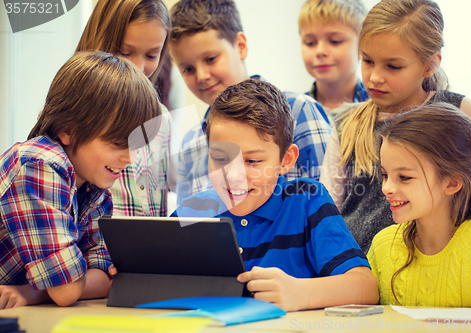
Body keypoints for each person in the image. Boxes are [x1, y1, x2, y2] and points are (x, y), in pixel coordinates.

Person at [172, 79, 378, 312]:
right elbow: (144, 277)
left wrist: (300, 293)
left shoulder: (306, 201)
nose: (234, 175)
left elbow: (366, 287)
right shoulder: (191, 211)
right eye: (221, 158)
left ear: (286, 160)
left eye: (252, 161)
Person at [319, 0, 471, 253]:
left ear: (430, 64)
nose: (374, 77)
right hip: (360, 268)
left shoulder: (457, 110)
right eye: (367, 61)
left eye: (393, 66)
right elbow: (327, 210)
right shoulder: (345, 124)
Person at [0, 51, 162, 309]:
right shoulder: (39, 164)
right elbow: (66, 291)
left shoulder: (94, 188)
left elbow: (106, 275)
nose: (130, 159)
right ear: (68, 130)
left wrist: (34, 293)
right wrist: (57, 287)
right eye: (118, 143)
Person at [168, 0, 331, 204]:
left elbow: (333, 204)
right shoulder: (190, 145)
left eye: (210, 59)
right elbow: (192, 225)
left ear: (241, 46)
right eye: (188, 69)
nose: (201, 76)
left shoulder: (299, 110)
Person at [368, 103, 471, 308]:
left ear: (452, 183)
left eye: (404, 177)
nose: (386, 188)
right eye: (385, 175)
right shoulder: (383, 244)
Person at [77, 0, 174, 216]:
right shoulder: (73, 112)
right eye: (125, 53)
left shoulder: (163, 119)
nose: (138, 68)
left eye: (151, 55)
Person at [299, 0, 369, 122]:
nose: (320, 51)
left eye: (335, 41)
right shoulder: (292, 111)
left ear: (362, 45)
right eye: (310, 43)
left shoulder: (381, 108)